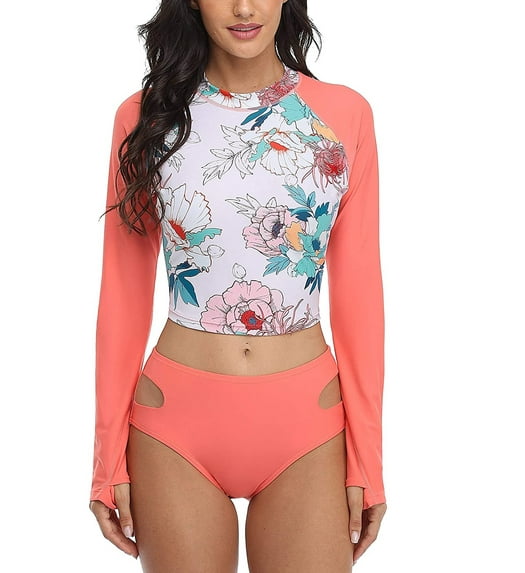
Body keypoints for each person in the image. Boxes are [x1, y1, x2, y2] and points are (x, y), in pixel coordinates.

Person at [88, 0, 387, 570]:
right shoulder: (147, 117)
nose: (244, 7)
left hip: (308, 425)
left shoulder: (343, 115)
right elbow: (122, 294)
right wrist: (107, 457)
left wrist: (368, 460)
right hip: (175, 425)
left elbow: (361, 299)